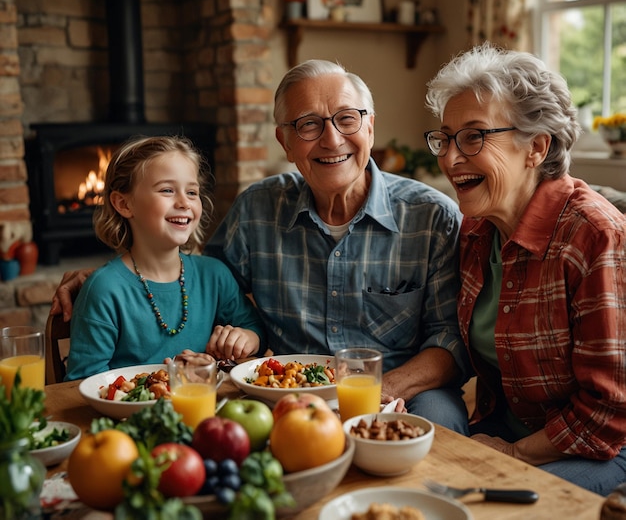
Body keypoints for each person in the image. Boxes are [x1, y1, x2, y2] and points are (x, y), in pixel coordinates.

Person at [52, 61, 470, 433]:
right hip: (283, 392)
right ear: (285, 142)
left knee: (438, 426)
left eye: (347, 119)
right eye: (308, 124)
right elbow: (196, 280)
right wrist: (112, 279)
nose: (331, 139)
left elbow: (451, 339)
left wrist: (380, 389)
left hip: (400, 386)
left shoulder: (431, 216)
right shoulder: (257, 210)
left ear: (370, 127)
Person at [423, 42, 626, 495]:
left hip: (602, 448)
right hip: (509, 431)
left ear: (535, 147)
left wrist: (514, 456)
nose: (450, 158)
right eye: (445, 137)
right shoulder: (476, 230)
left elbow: (609, 412)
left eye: (473, 136)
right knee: (415, 489)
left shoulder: (595, 236)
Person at [64, 135, 266, 381]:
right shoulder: (104, 289)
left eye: (192, 192)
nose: (184, 202)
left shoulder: (214, 275)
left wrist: (247, 338)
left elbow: (255, 329)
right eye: (167, 190)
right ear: (124, 203)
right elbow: (82, 382)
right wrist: (171, 379)